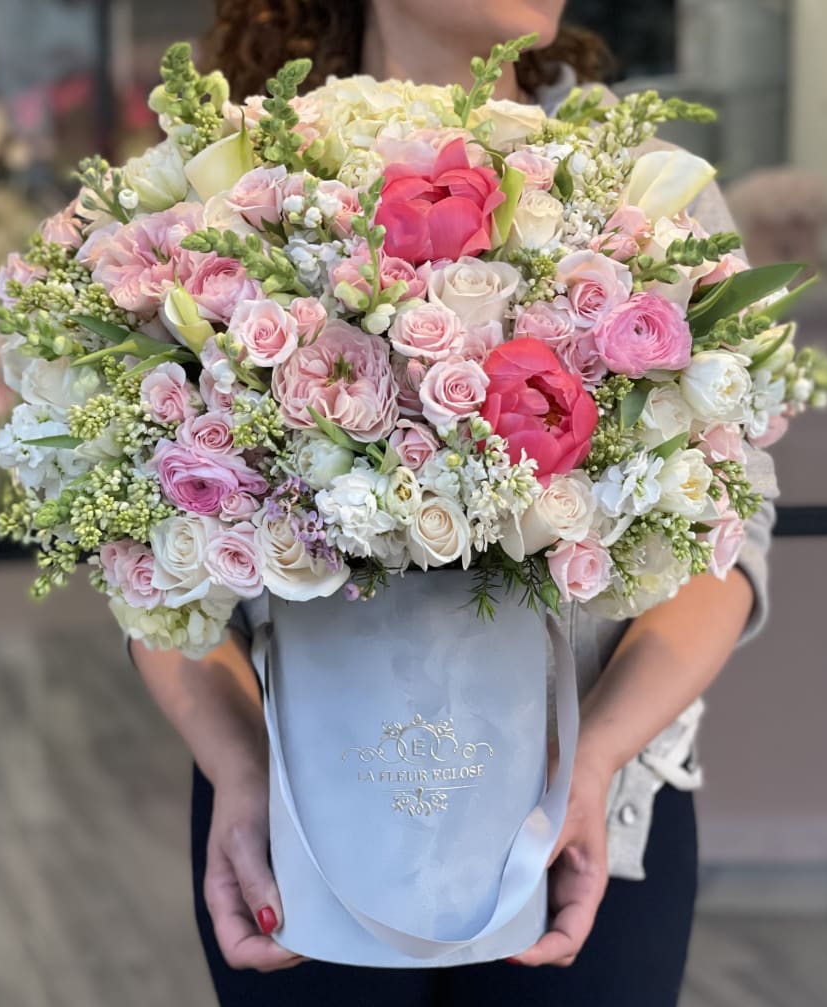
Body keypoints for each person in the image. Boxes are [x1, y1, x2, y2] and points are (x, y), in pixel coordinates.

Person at [129, 1, 777, 1004]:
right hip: (300, 812)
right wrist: (239, 767)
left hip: (586, 817)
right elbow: (150, 548)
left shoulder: (646, 189)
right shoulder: (231, 190)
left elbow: (730, 533)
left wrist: (597, 756)